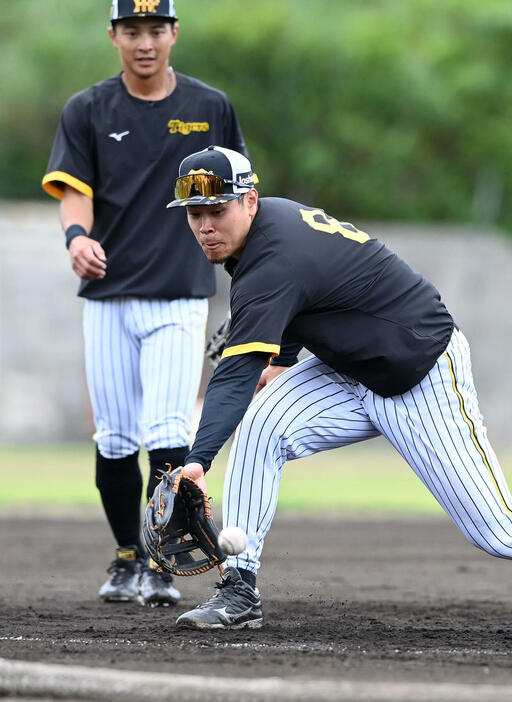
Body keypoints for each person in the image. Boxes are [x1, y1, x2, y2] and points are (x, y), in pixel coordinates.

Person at [165, 145, 512, 635]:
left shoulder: (271, 260)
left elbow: (239, 368)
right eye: (196, 214)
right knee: (262, 427)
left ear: (250, 201)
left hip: (420, 373)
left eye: (219, 211)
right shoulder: (265, 234)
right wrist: (278, 361)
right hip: (350, 369)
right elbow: (302, 307)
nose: (207, 225)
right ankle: (239, 590)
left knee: (499, 531)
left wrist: (198, 461)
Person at [41, 1, 248, 607]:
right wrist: (77, 239)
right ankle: (126, 554)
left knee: (166, 428)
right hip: (108, 295)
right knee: (114, 437)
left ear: (174, 33)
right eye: (132, 30)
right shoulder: (88, 109)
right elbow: (74, 193)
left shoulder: (211, 107)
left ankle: (161, 559)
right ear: (114, 36)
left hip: (180, 292)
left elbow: (240, 195)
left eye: (156, 29)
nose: (145, 41)